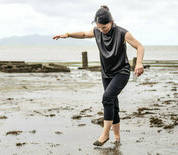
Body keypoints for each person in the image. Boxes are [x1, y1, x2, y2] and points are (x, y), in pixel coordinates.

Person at [53, 5, 144, 146]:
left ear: (111, 22)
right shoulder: (97, 31)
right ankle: (117, 137)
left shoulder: (122, 33)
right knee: (113, 103)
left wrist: (138, 63)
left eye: (105, 28)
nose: (102, 30)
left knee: (107, 98)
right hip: (106, 73)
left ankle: (105, 134)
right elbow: (83, 34)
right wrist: (68, 34)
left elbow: (140, 46)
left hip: (121, 72)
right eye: (99, 28)